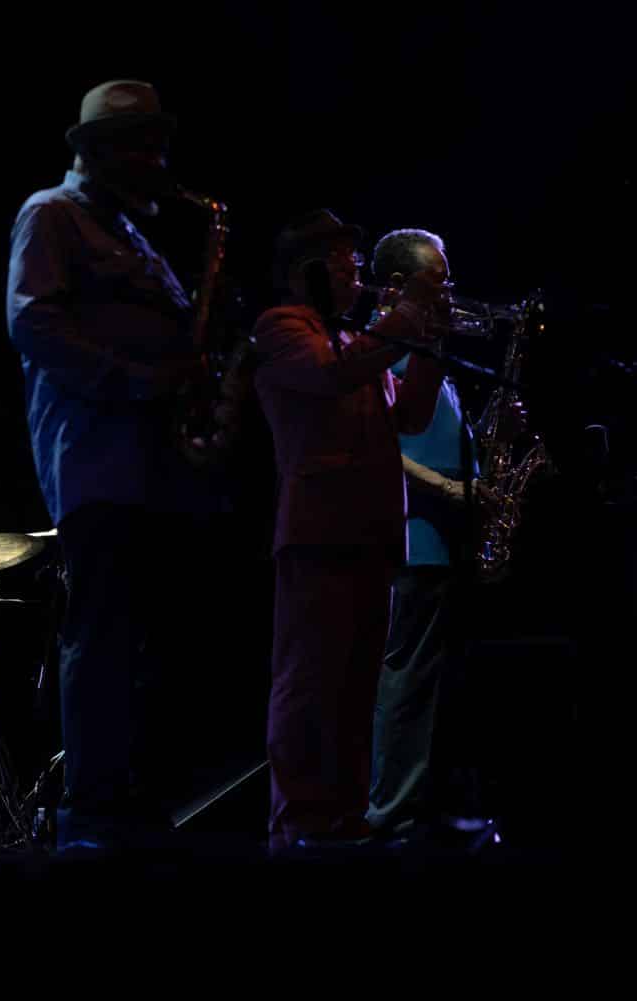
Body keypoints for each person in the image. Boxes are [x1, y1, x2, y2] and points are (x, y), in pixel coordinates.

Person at [6, 80, 229, 855]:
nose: (160, 161)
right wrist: (138, 379)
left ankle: (135, 795)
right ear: (101, 151)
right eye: (145, 146)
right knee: (100, 632)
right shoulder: (51, 214)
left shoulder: (134, 233)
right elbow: (31, 321)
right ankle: (90, 809)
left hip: (154, 462)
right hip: (96, 458)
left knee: (146, 638)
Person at [250, 210, 448, 854]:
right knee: (310, 684)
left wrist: (431, 345)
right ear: (306, 268)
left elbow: (410, 417)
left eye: (355, 262)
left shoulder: (355, 338)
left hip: (374, 531)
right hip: (318, 531)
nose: (356, 274)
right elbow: (330, 376)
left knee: (359, 688)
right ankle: (300, 823)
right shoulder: (283, 327)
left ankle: (346, 818)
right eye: (342, 261)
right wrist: (407, 319)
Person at [365, 228, 495, 841]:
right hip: (413, 536)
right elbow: (375, 446)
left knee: (434, 685)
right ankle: (393, 817)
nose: (451, 294)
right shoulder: (383, 346)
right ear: (395, 287)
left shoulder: (424, 348)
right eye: (437, 282)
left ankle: (428, 809)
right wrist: (445, 488)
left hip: (444, 538)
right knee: (406, 684)